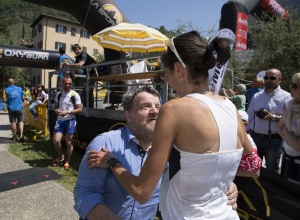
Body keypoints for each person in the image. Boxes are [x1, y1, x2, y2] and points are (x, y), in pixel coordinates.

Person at [86, 31, 261, 219]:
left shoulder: (174, 109)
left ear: (178, 70)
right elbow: (254, 168)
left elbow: (141, 191)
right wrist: (221, 182)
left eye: (165, 73)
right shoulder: (230, 108)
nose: (166, 79)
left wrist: (112, 162)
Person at [74, 86, 239, 220]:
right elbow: (85, 193)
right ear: (128, 115)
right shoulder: (105, 143)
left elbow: (200, 175)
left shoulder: (174, 149)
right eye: (145, 106)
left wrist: (227, 185)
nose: (155, 112)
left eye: (158, 106)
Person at [246, 68, 292, 173]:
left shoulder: (286, 97)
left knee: (272, 170)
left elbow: (289, 120)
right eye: (266, 77)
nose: (268, 80)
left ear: (280, 79)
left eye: (272, 78)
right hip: (255, 138)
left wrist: (273, 117)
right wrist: (245, 133)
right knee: (253, 168)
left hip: (274, 140)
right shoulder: (257, 96)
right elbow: (249, 116)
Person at [52, 77, 82, 170]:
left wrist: (68, 112)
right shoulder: (59, 94)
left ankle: (68, 161)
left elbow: (80, 109)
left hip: (70, 121)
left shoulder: (75, 94)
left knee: (68, 142)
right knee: (56, 141)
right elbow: (56, 106)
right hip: (60, 120)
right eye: (66, 83)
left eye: (69, 83)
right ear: (62, 83)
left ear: (71, 84)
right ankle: (60, 156)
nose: (67, 85)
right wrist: (56, 110)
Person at [278, 72, 300, 181]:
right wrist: (291, 139)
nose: (291, 87)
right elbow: (279, 127)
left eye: (295, 86)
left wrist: (285, 131)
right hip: (288, 159)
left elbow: (297, 146)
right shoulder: (291, 104)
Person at [63, 44, 97, 108]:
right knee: (85, 92)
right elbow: (74, 66)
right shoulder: (77, 58)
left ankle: (90, 107)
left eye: (77, 49)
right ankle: (87, 107)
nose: (76, 51)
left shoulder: (84, 54)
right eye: (74, 50)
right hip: (87, 75)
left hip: (92, 74)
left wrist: (68, 65)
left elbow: (79, 65)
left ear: (80, 49)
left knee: (89, 90)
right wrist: (69, 66)